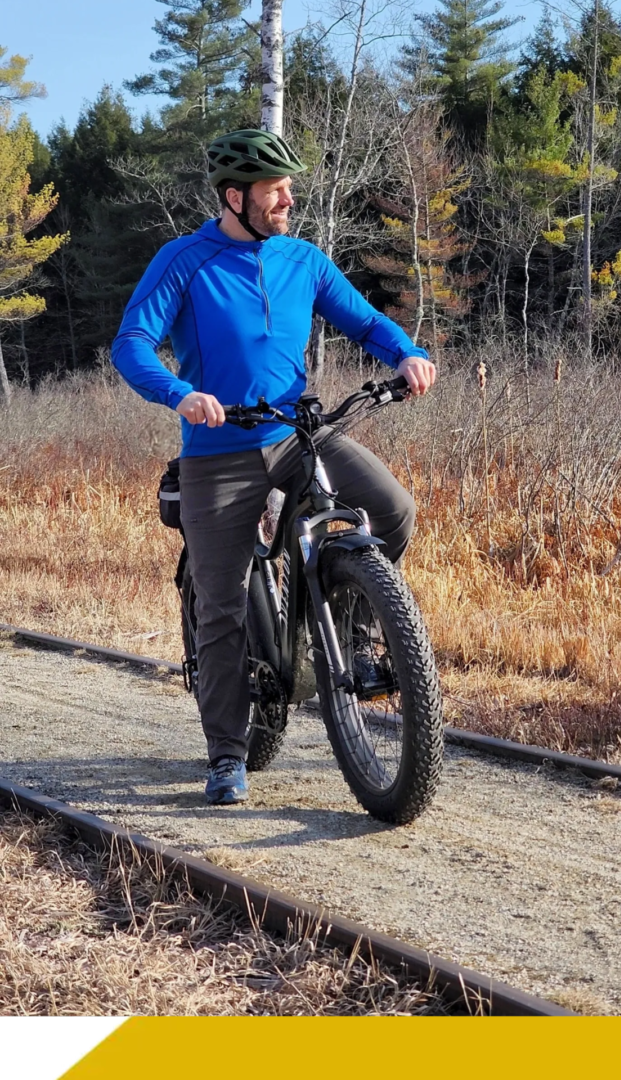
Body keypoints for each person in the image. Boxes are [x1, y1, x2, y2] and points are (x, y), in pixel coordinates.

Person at [111, 129, 436, 806]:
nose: (289, 199)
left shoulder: (303, 259)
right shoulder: (183, 262)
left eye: (289, 187)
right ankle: (228, 754)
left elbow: (365, 320)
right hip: (219, 449)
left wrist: (404, 352)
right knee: (222, 605)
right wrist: (181, 393)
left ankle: (346, 619)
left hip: (296, 435)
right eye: (274, 190)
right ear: (236, 196)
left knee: (393, 510)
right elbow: (133, 344)